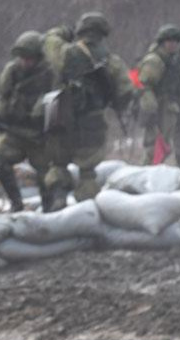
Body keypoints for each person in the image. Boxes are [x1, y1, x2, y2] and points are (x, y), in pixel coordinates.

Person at [45, 12, 135, 208]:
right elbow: (126, 91)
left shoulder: (65, 53)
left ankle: (58, 198)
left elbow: (49, 42)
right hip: (92, 120)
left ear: (81, 31)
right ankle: (86, 212)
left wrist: (61, 31)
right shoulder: (112, 61)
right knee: (87, 172)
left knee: (58, 164)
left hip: (61, 117)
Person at [0, 31, 57, 211]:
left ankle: (49, 211)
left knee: (46, 177)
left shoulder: (49, 74)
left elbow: (55, 104)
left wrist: (49, 130)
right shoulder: (12, 72)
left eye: (29, 58)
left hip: (39, 137)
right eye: (22, 58)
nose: (24, 62)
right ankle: (16, 203)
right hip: (15, 132)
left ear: (38, 57)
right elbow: (4, 97)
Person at [136, 24, 180, 165]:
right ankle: (145, 177)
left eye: (176, 41)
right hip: (158, 109)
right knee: (154, 148)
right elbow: (143, 84)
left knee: (163, 147)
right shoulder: (155, 60)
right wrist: (150, 105)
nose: (174, 45)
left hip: (169, 109)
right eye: (170, 41)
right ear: (162, 42)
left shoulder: (172, 61)